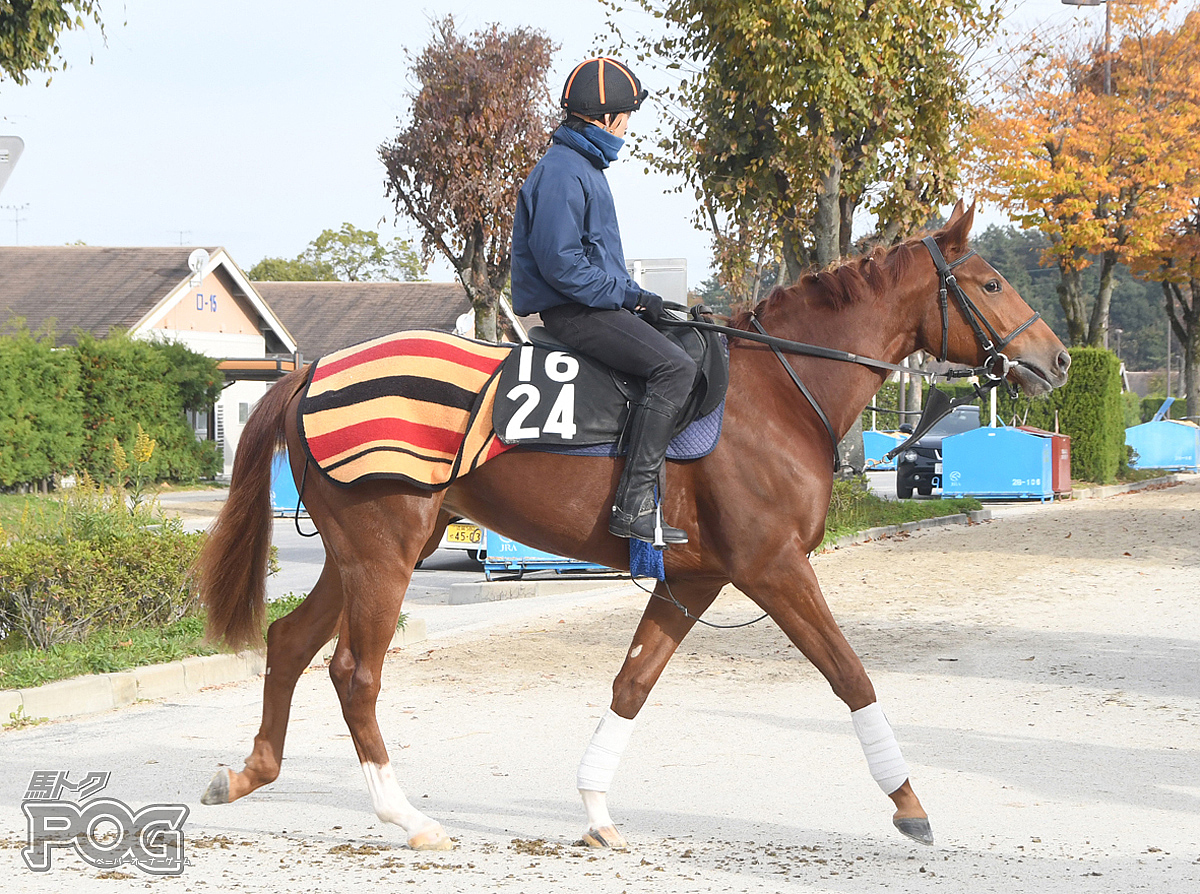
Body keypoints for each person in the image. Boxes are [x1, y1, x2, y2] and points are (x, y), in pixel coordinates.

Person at [511, 57, 696, 546]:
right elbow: (563, 266)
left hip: (595, 307)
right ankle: (633, 506)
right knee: (675, 369)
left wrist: (644, 303)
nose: (629, 129)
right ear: (605, 117)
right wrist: (635, 297)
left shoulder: (582, 166)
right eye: (627, 117)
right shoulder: (562, 172)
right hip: (576, 314)